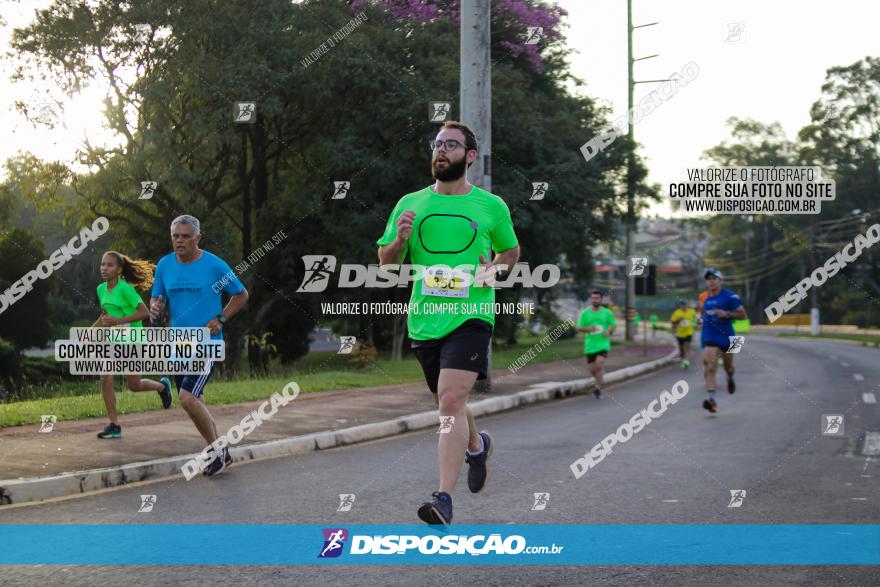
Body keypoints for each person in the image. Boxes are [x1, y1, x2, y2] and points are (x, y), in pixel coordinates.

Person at [377, 121, 520, 525]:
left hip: (472, 315)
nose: (440, 151)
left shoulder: (491, 206)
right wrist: (399, 242)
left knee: (450, 401)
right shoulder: (410, 203)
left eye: (451, 145)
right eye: (437, 145)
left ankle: (443, 498)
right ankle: (476, 445)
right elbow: (386, 265)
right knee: (448, 400)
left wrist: (493, 269)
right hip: (425, 319)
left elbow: (510, 252)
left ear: (469, 156)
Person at [149, 215, 249, 476]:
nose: (179, 241)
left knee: (187, 397)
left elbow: (241, 294)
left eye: (185, 236)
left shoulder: (214, 265)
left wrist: (221, 318)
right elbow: (157, 296)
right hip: (178, 344)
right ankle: (222, 453)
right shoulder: (165, 265)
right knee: (197, 401)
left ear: (197, 238)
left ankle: (217, 452)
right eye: (175, 236)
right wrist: (155, 306)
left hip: (205, 343)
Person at [93, 251, 172, 439]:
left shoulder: (126, 289)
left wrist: (119, 321)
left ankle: (162, 386)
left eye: (109, 265)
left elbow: (144, 313)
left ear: (119, 269)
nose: (104, 268)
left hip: (134, 340)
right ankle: (114, 425)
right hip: (115, 340)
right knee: (105, 378)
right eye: (103, 264)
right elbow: (105, 314)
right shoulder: (101, 289)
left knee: (134, 385)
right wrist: (92, 329)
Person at [700, 268, 746, 413]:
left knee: (729, 367)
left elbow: (743, 315)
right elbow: (705, 316)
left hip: (730, 338)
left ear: (720, 281)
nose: (711, 281)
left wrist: (726, 313)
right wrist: (701, 320)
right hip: (710, 338)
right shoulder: (706, 300)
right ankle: (711, 400)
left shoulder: (730, 296)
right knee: (710, 368)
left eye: (714, 278)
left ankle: (730, 377)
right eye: (708, 278)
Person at [576, 290, 617, 399]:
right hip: (590, 345)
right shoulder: (585, 313)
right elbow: (578, 327)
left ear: (601, 299)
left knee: (598, 365)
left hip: (603, 344)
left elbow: (613, 325)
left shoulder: (607, 312)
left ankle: (598, 389)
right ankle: (600, 379)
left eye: (597, 298)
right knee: (592, 369)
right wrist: (588, 328)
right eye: (593, 298)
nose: (595, 300)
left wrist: (609, 331)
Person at [670, 298, 697, 368]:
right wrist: (678, 320)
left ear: (687, 305)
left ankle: (686, 361)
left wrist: (695, 326)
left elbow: (695, 319)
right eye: (682, 305)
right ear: (680, 306)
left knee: (687, 346)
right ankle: (683, 359)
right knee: (681, 348)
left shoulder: (692, 311)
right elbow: (672, 322)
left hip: (689, 332)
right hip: (680, 333)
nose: (684, 306)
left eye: (685, 305)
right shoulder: (677, 312)